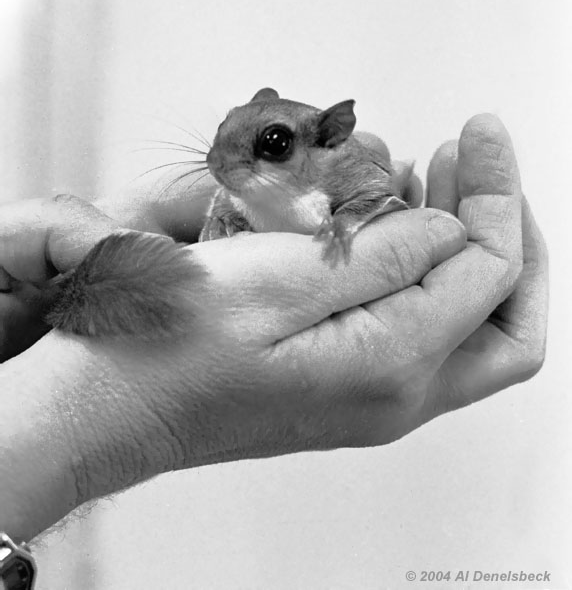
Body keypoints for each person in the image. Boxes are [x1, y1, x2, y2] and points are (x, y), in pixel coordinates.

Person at [0, 114, 548, 547]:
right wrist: (95, 414)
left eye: (274, 144)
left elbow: (369, 208)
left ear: (328, 139)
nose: (221, 164)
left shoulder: (346, 179)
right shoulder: (234, 199)